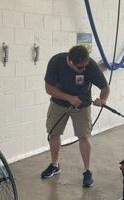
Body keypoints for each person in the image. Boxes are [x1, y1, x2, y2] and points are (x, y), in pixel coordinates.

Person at [41, 45, 110, 187]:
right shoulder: (56, 62)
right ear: (71, 62)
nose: (84, 69)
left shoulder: (90, 65)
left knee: (84, 136)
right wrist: (69, 98)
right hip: (58, 103)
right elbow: (49, 88)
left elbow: (105, 87)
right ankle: (54, 165)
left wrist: (102, 99)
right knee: (53, 133)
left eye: (86, 66)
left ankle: (87, 171)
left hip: (82, 105)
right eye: (80, 68)